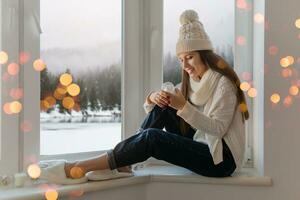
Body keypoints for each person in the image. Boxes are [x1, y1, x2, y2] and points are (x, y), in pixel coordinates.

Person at [64, 9, 249, 178]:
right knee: (165, 102)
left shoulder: (223, 84)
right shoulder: (193, 82)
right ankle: (123, 161)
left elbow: (218, 128)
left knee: (152, 138)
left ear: (204, 54)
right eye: (181, 60)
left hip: (221, 159)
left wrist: (183, 107)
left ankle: (81, 167)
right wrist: (153, 97)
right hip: (203, 143)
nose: (185, 66)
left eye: (190, 57)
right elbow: (161, 108)